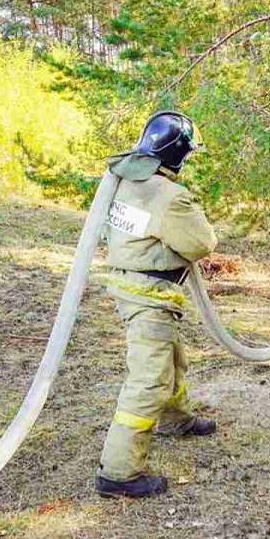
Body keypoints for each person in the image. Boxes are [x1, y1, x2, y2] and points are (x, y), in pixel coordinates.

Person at [96, 111, 218, 498]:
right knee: (149, 378)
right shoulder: (168, 195)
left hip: (130, 285)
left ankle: (175, 419)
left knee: (172, 359)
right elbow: (202, 242)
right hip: (149, 294)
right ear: (179, 153)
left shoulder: (125, 181)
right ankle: (119, 471)